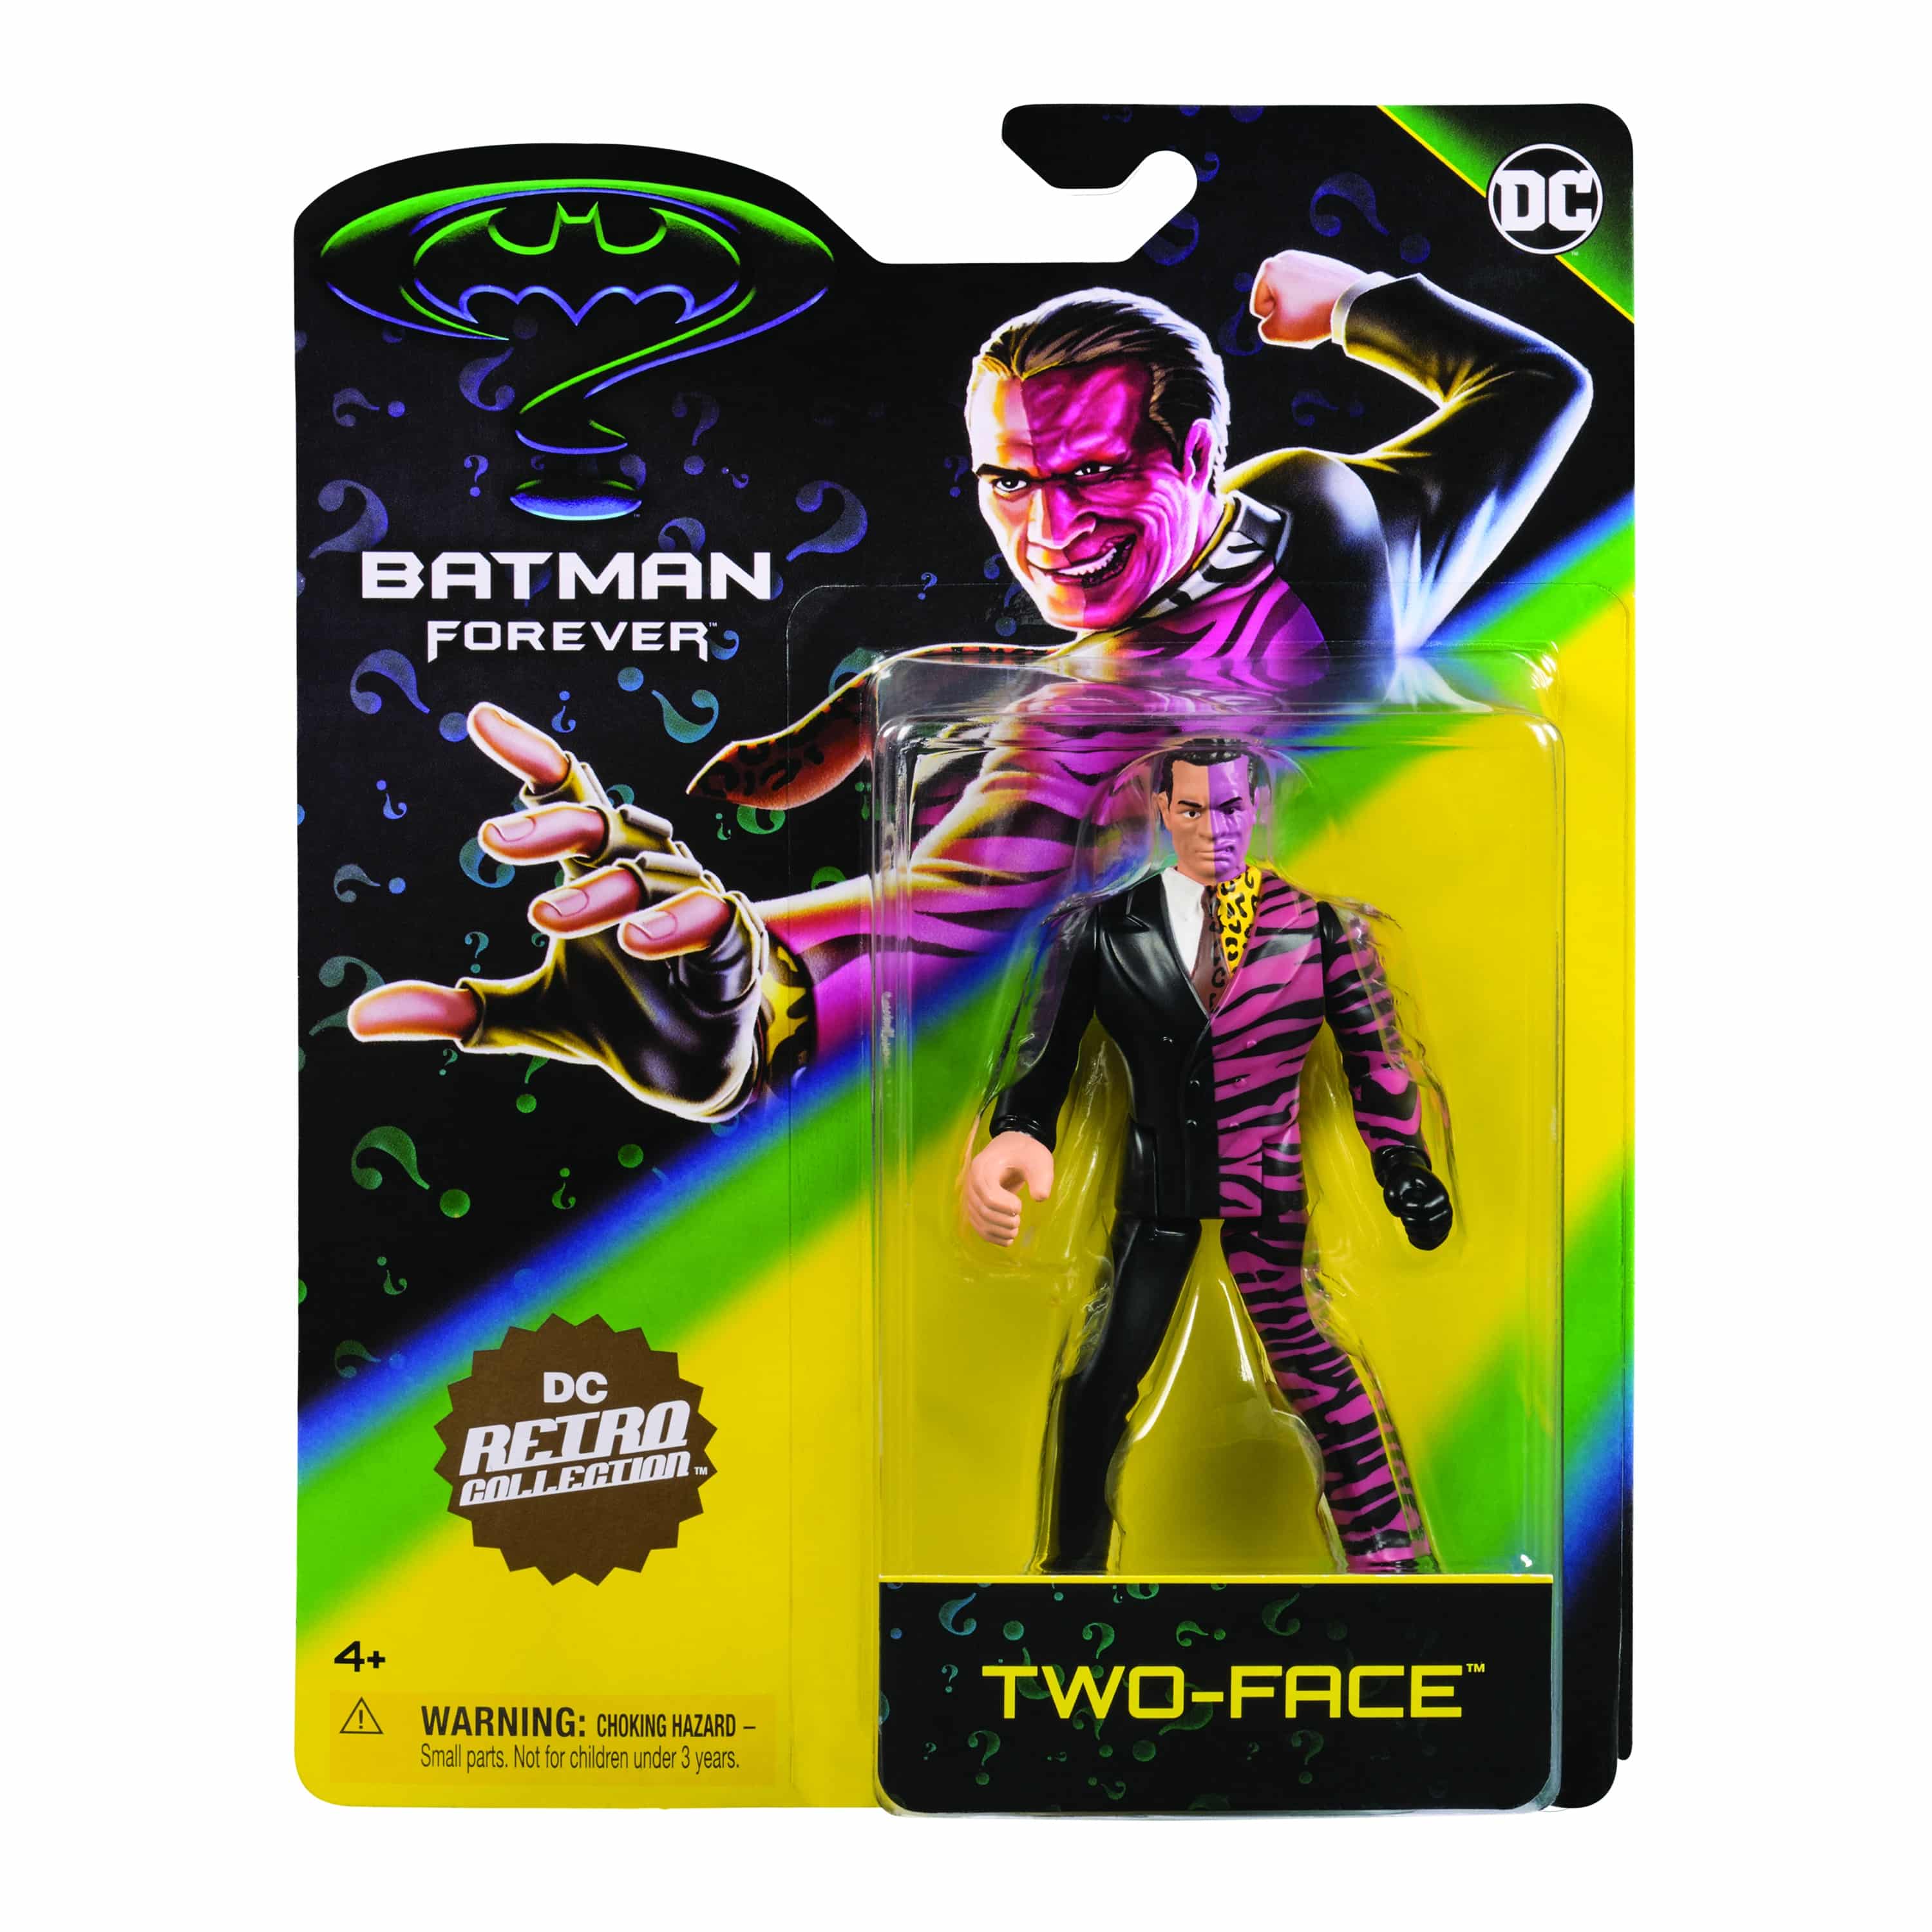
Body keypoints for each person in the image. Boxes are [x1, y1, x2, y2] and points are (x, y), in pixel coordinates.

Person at [352, 252, 1590, 1128]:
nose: (1047, 531)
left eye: (1093, 474)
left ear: (1200, 455)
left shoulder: (1315, 535)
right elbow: (942, 909)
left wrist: (1361, 302)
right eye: (1010, 482)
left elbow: (1543, 391)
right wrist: (754, 991)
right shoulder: (1313, 534)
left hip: (1470, 1001)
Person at [964, 741, 1452, 1573]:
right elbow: (1045, 1054)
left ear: (1255, 806)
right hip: (1157, 1195)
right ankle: (1068, 1579)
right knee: (1096, 1385)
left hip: (1269, 1195)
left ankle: (1390, 1562)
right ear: (1162, 811)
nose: (1211, 829)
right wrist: (1018, 1133)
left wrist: (1404, 1166)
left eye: (1227, 808)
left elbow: (1377, 1063)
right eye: (1190, 809)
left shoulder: (1321, 930)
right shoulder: (1103, 930)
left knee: (1322, 1376)